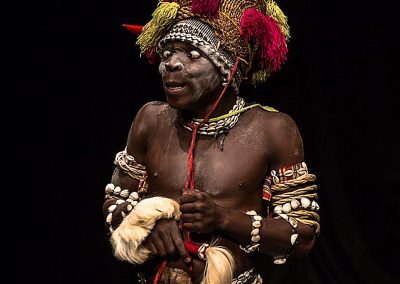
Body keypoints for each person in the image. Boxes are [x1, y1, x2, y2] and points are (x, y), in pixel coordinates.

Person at [103, 1, 320, 283]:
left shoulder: (272, 129)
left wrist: (222, 219)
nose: (170, 63)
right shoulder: (151, 119)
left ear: (228, 69)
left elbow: (302, 238)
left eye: (193, 54)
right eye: (167, 53)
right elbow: (115, 202)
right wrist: (147, 222)